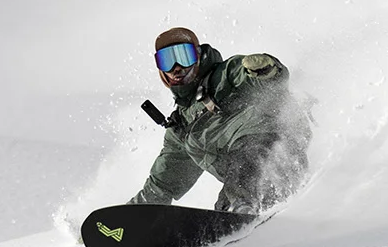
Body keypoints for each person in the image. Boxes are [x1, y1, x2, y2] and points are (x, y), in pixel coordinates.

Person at [129, 26, 312, 215]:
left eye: (184, 56)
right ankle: (234, 222)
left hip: (276, 154)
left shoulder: (226, 74)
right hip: (244, 183)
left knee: (246, 161)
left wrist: (267, 71)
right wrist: (130, 216)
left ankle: (243, 208)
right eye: (167, 61)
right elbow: (163, 185)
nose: (177, 67)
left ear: (198, 56)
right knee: (223, 209)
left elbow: (256, 77)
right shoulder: (181, 129)